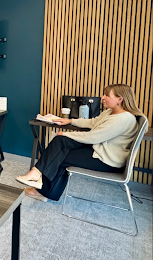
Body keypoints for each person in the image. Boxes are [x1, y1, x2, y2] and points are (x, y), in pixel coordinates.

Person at [16, 84, 146, 202]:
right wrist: (70, 121)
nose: (103, 97)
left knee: (61, 155)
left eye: (107, 95)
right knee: (60, 143)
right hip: (98, 150)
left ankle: (41, 187)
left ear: (120, 99)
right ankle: (37, 177)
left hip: (107, 160)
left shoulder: (123, 119)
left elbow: (94, 137)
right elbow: (92, 122)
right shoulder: (110, 112)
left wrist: (66, 133)